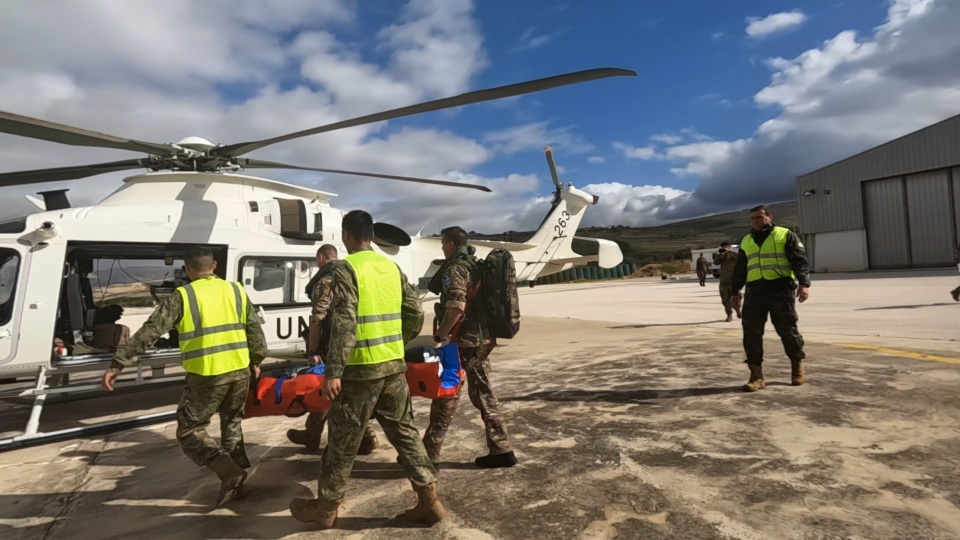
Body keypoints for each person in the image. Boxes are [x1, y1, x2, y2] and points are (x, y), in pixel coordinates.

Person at [289, 210, 444, 529]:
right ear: (371, 236)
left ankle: (326, 509)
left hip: (359, 372)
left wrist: (333, 372)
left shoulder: (345, 269)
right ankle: (430, 502)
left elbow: (344, 322)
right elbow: (415, 313)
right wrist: (395, 342)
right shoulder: (391, 266)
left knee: (342, 443)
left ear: (346, 236)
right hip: (393, 368)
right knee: (406, 435)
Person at [101, 246, 267, 507]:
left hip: (207, 374)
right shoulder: (235, 290)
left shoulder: (183, 296)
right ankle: (238, 482)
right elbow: (256, 334)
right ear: (214, 267)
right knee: (232, 424)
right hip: (239, 370)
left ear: (188, 271)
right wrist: (255, 361)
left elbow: (151, 331)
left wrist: (118, 363)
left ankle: (229, 472)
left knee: (190, 430)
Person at [422, 226, 518, 469]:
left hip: (463, 342)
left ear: (451, 244)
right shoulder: (477, 265)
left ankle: (427, 454)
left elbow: (456, 306)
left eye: (443, 244)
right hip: (482, 340)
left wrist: (439, 335)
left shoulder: (456, 268)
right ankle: (502, 449)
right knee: (483, 392)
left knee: (446, 393)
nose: (443, 249)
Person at [287, 244, 379, 455]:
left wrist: (313, 351)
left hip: (334, 346)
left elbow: (318, 318)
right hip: (358, 342)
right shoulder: (351, 275)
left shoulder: (326, 280)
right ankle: (365, 435)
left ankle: (317, 436)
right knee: (353, 392)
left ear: (320, 258)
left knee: (327, 390)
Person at [731, 206, 810, 392]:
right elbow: (741, 269)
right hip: (755, 291)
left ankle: (797, 367)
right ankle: (756, 376)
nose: (755, 221)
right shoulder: (747, 240)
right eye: (753, 218)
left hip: (780, 290)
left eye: (759, 217)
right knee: (751, 334)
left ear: (769, 217)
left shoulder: (785, 235)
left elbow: (800, 261)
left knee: (788, 331)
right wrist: (735, 292)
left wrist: (804, 284)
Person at [716, 242, 742, 322]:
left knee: (738, 296)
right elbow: (716, 262)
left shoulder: (733, 254)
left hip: (734, 280)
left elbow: (739, 259)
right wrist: (721, 254)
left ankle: (738, 310)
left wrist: (729, 252)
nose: (725, 248)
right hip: (724, 281)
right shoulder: (721, 256)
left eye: (726, 246)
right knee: (725, 299)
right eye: (723, 247)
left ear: (729, 247)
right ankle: (729, 315)